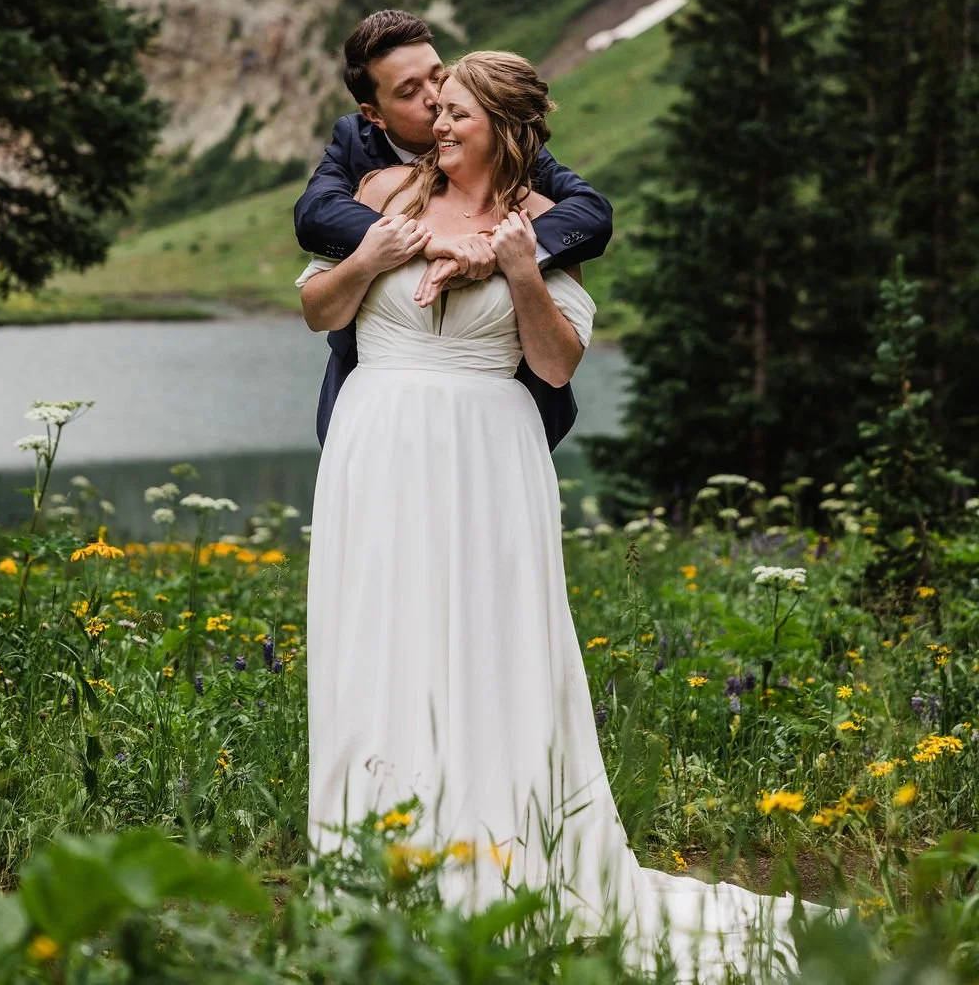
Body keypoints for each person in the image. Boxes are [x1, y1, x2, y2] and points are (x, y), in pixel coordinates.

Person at [295, 51, 847, 981]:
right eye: (437, 105)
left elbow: (554, 365)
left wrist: (518, 272)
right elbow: (317, 309)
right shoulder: (382, 191)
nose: (439, 118)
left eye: (460, 109)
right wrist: (371, 254)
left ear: (505, 130)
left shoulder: (547, 227)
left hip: (487, 457)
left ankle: (499, 868)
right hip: (374, 446)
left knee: (486, 648)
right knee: (378, 640)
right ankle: (373, 872)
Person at [293, 10, 613, 451]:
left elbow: (591, 213)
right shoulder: (360, 154)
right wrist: (424, 243)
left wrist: (496, 252)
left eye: (437, 78)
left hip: (500, 412)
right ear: (374, 115)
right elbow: (315, 216)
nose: (433, 99)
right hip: (375, 410)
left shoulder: (512, 153)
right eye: (409, 91)